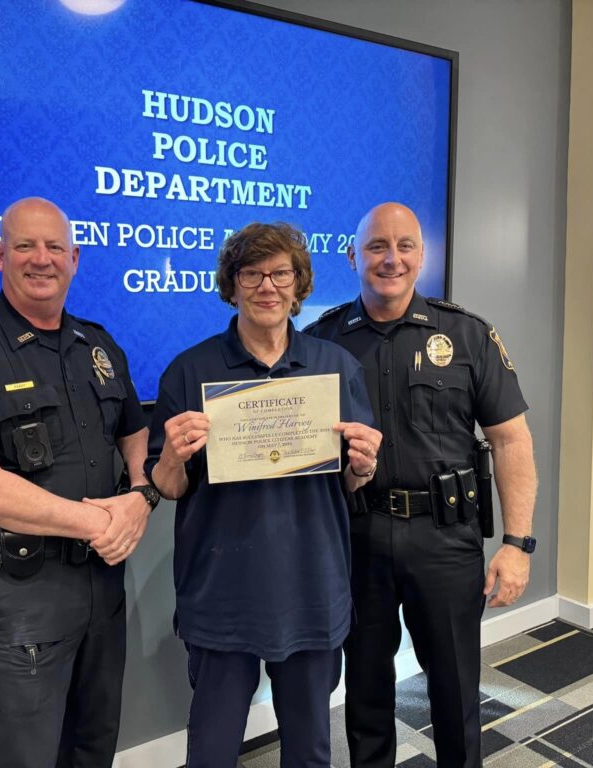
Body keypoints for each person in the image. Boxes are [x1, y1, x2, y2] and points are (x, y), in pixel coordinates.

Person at [0, 197, 158, 768]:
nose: (41, 259)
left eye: (54, 247)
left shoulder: (99, 347)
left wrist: (139, 495)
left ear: (75, 258)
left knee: (94, 746)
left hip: (104, 587)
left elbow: (133, 432)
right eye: (24, 246)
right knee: (21, 758)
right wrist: (104, 522)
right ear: (0, 255)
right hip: (27, 593)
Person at [304, 203, 537, 768]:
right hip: (357, 540)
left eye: (405, 245)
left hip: (445, 538)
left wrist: (517, 544)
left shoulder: (467, 335)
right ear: (353, 254)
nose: (392, 258)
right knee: (365, 692)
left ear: (422, 254)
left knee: (455, 690)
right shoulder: (319, 343)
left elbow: (511, 441)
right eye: (378, 246)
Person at [145, 222, 382, 768]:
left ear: (298, 286)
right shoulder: (190, 370)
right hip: (222, 590)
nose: (266, 286)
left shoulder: (334, 367)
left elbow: (349, 480)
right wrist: (170, 458)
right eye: (251, 273)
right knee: (211, 748)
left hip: (311, 585)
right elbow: (169, 486)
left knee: (310, 748)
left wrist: (364, 467)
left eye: (280, 273)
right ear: (231, 285)